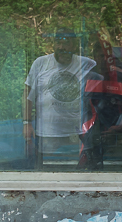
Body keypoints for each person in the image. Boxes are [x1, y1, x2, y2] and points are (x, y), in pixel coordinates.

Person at [23, 28, 96, 168]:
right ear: (54, 44)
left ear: (74, 45)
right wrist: (26, 122)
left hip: (75, 134)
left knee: (75, 171)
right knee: (46, 172)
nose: (61, 47)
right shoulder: (41, 63)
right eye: (58, 42)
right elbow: (28, 93)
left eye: (66, 43)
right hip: (47, 134)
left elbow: (105, 76)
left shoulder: (87, 64)